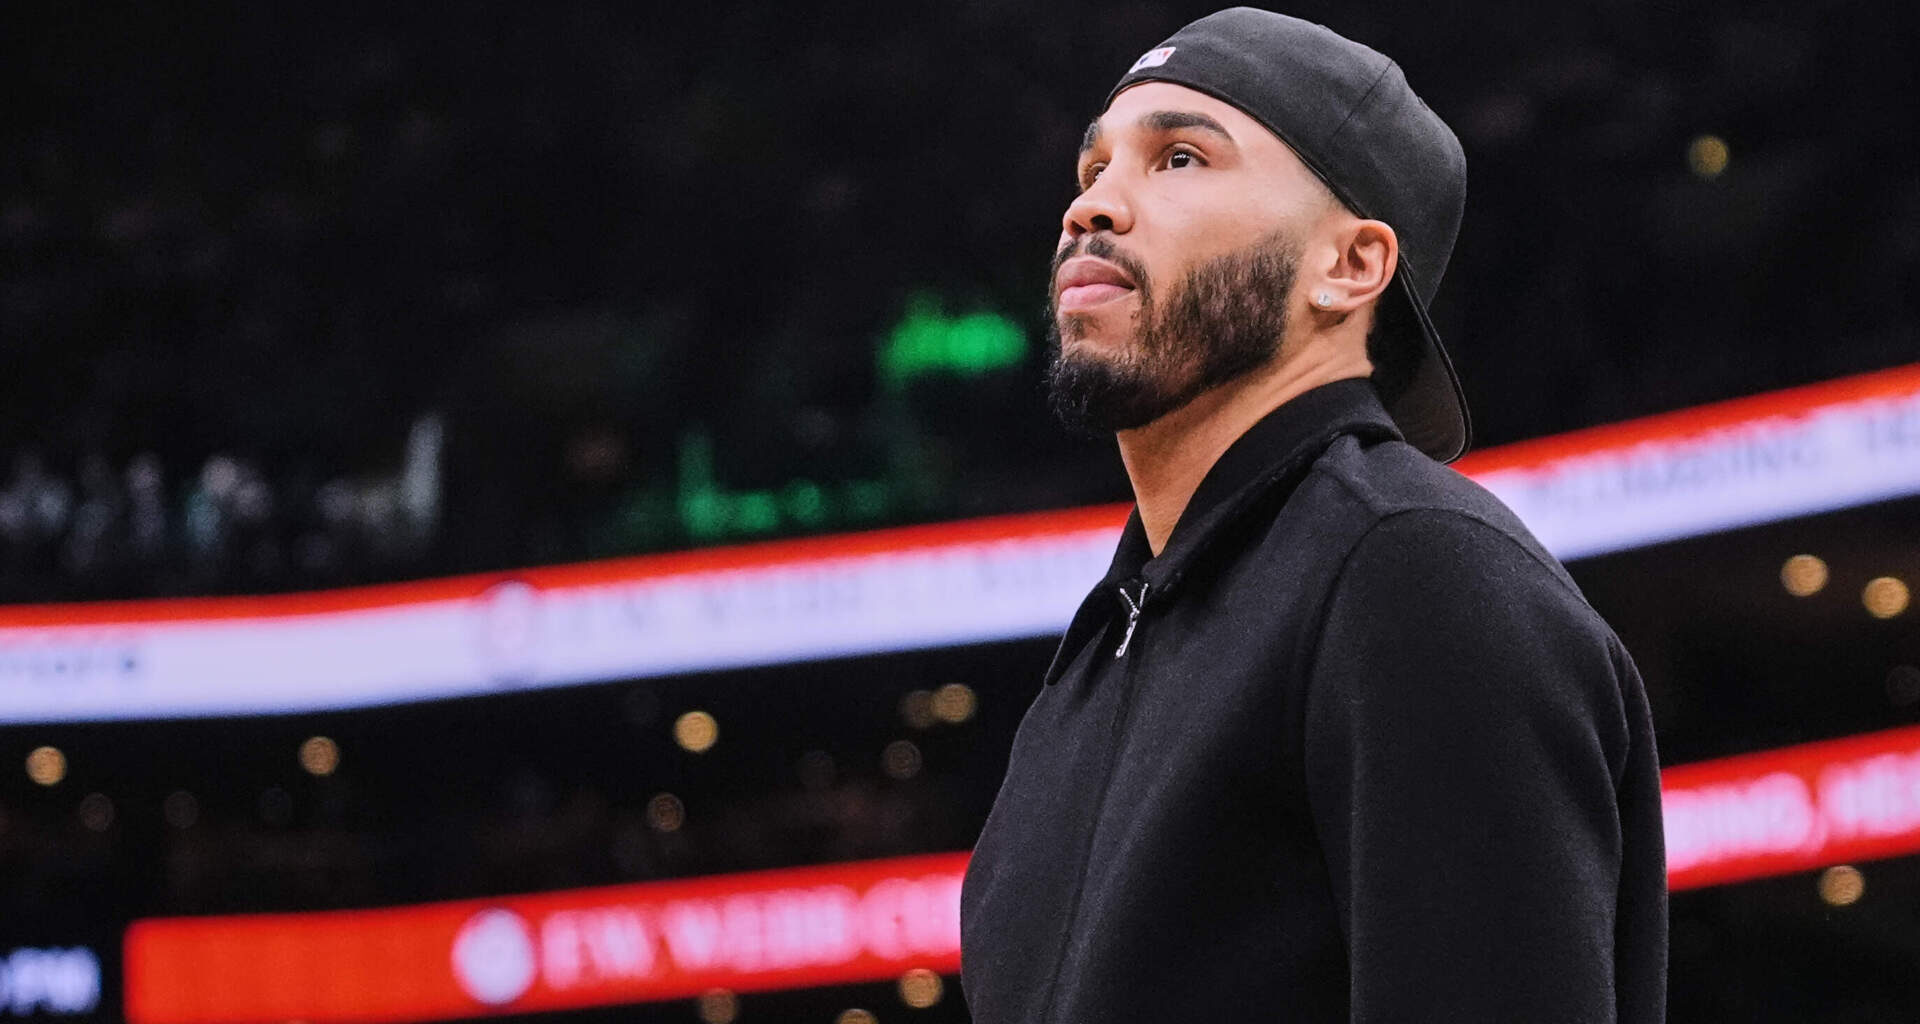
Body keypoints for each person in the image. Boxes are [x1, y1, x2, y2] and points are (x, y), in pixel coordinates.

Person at [958, 9, 1667, 1023]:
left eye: (1180, 158)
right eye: (1094, 167)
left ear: (1350, 266)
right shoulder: (1094, 659)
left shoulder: (1414, 573)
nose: (1093, 206)